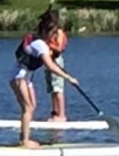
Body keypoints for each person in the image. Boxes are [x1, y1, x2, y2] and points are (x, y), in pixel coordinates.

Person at [11, 9, 81, 147]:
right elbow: (50, 66)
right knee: (28, 109)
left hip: (26, 78)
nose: (54, 36)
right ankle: (24, 142)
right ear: (44, 32)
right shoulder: (40, 44)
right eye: (52, 33)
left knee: (31, 107)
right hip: (18, 77)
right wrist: (69, 78)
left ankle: (23, 137)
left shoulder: (41, 44)